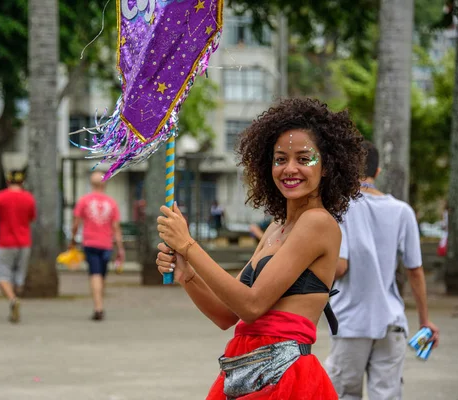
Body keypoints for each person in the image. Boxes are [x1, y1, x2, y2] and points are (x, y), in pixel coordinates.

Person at [156, 98, 365, 399]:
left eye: (303, 158)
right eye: (280, 159)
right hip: (245, 373)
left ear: (328, 166)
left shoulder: (318, 223)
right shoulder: (275, 228)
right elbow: (227, 315)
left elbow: (251, 305)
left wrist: (187, 245)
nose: (289, 169)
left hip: (287, 380)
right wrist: (186, 274)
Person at [325, 141, 440, 400]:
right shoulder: (403, 211)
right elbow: (415, 271)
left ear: (349, 170)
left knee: (343, 394)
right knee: (386, 395)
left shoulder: (339, 208)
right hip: (391, 322)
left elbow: (340, 267)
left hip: (351, 324)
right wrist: (424, 320)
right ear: (377, 173)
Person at [0, 170, 36, 324]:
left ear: (8, 181)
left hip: (5, 243)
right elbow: (31, 218)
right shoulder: (29, 198)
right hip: (24, 243)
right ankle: (16, 297)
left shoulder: (0, 197)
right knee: (19, 277)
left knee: (2, 276)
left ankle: (12, 300)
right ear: (22, 182)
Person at [72, 171, 125, 321]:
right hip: (106, 245)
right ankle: (100, 303)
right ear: (105, 184)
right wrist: (120, 248)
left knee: (95, 274)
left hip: (90, 242)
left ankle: (98, 307)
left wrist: (72, 240)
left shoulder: (84, 200)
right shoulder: (112, 202)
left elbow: (76, 223)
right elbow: (116, 228)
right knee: (102, 275)